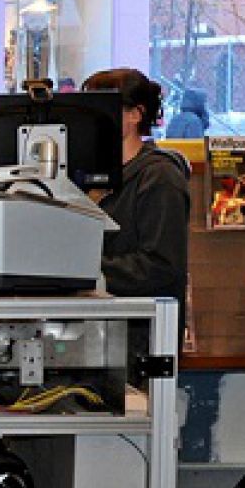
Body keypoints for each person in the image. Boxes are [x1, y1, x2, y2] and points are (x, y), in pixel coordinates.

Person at [83, 68, 191, 339]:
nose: (90, 118)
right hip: (99, 331)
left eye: (101, 108)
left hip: (140, 338)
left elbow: (161, 266)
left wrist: (81, 270)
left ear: (135, 114)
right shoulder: (92, 176)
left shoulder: (160, 178)